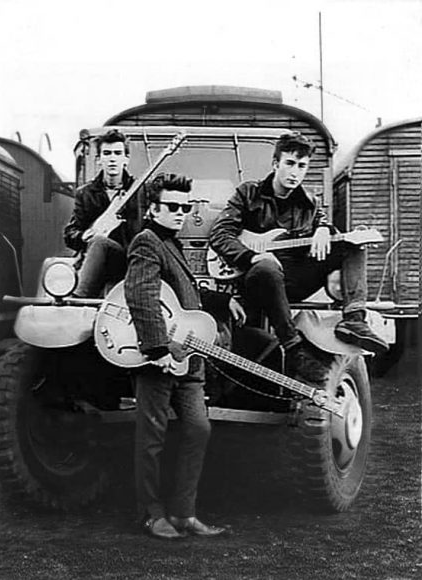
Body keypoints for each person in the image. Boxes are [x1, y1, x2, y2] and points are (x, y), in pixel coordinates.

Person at [125, 173, 246, 540]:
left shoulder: (170, 244)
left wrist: (223, 301)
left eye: (185, 206)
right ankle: (151, 514)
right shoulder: (146, 243)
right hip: (160, 356)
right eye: (172, 207)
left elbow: (182, 298)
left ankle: (184, 513)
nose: (181, 213)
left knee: (198, 428)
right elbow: (141, 295)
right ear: (153, 208)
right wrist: (157, 348)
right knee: (152, 437)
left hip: (188, 359)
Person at [209, 131, 388, 376]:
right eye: (290, 163)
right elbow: (220, 234)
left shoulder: (310, 203)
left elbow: (324, 228)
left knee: (352, 244)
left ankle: (354, 319)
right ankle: (294, 349)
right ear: (276, 164)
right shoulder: (248, 193)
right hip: (256, 280)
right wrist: (251, 257)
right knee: (267, 267)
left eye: (302, 166)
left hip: (295, 278)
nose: (295, 172)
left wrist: (325, 229)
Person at [64, 129, 139, 297]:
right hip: (95, 262)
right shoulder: (85, 193)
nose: (112, 158)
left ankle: (78, 297)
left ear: (126, 159)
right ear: (99, 160)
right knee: (98, 242)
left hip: (129, 261)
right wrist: (83, 237)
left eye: (118, 153)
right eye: (107, 153)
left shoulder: (140, 191)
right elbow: (70, 234)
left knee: (100, 242)